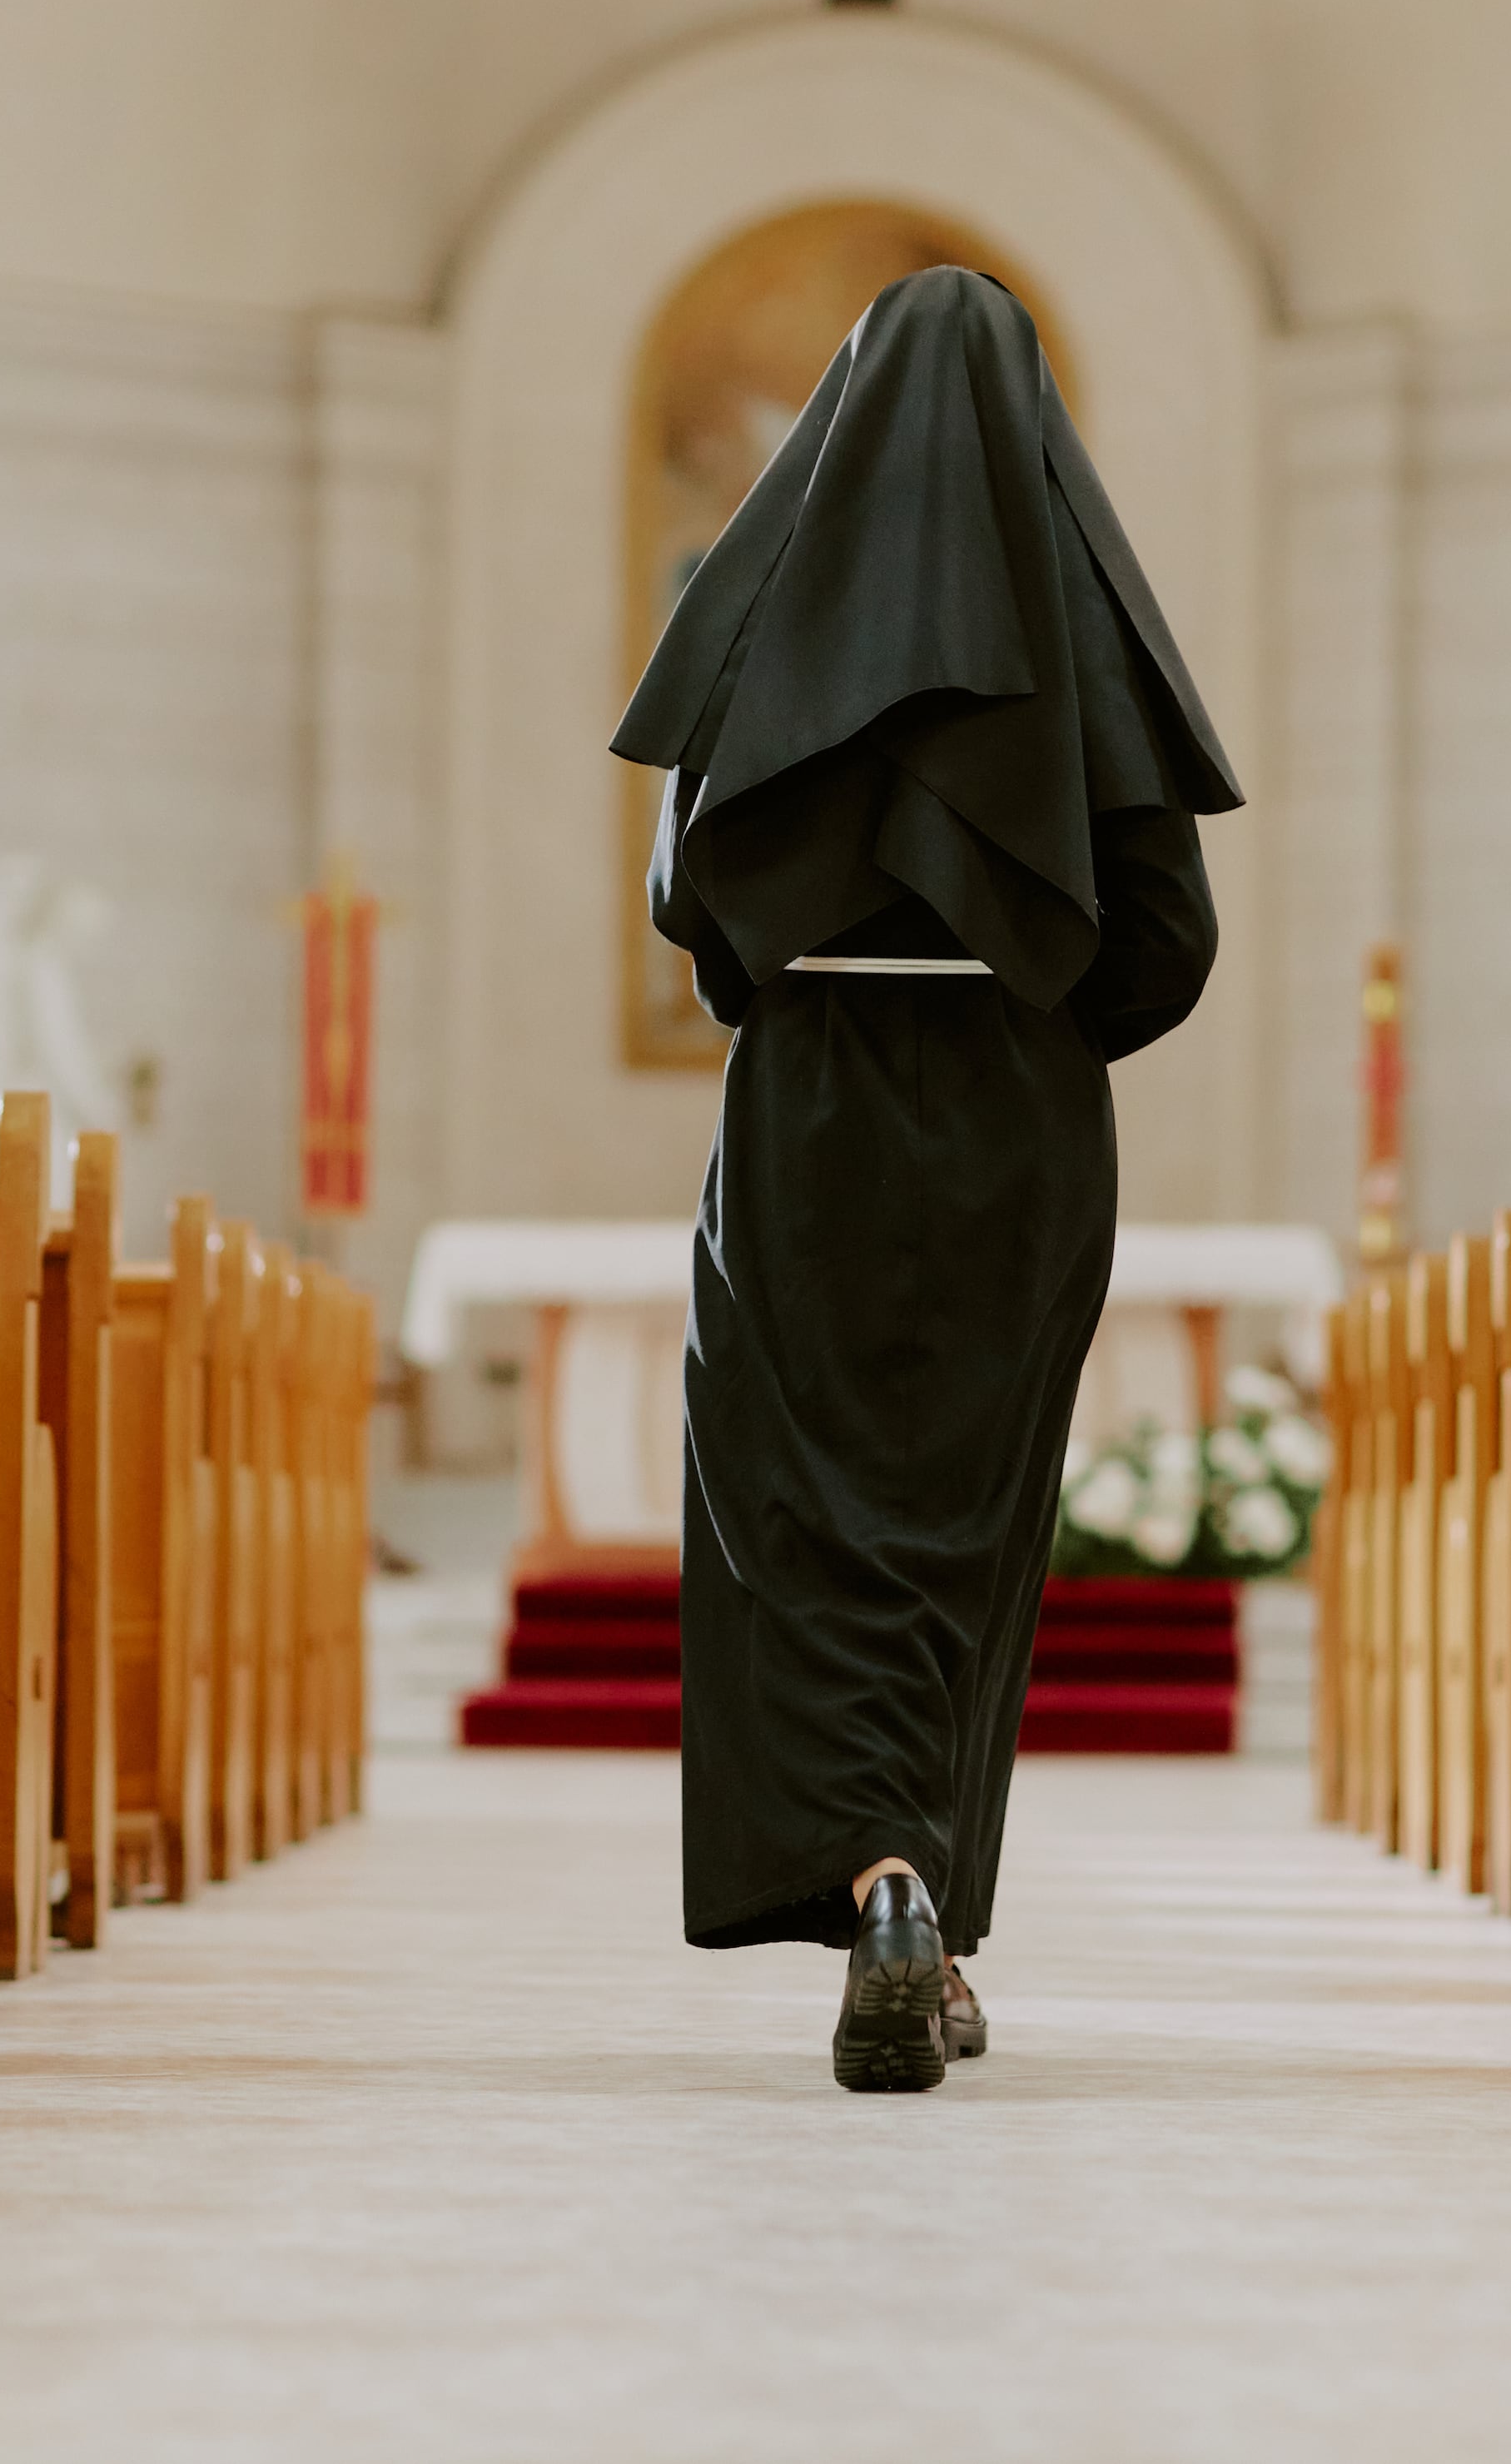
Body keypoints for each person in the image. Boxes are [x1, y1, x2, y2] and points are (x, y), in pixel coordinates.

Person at [612, 265, 1238, 2093]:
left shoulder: (762, 608)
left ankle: (880, 1885)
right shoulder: (1084, 627)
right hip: (1016, 1109)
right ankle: (928, 1904)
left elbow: (692, 903)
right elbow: (1168, 943)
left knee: (802, 1511)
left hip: (810, 1102)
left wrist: (816, 974)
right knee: (968, 1525)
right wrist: (1021, 1009)